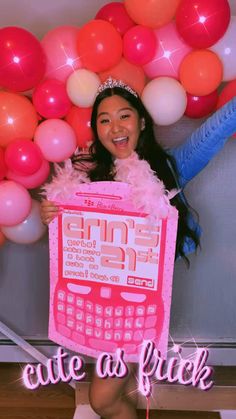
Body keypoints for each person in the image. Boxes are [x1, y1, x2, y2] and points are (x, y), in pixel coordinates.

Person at [40, 78, 234, 419]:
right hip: (97, 305)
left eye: (124, 115)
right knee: (107, 396)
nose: (115, 127)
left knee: (101, 399)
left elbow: (216, 129)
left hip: (139, 306)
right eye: (104, 119)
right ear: (96, 130)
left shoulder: (171, 167)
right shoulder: (86, 176)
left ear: (141, 122)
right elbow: (73, 240)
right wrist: (52, 215)